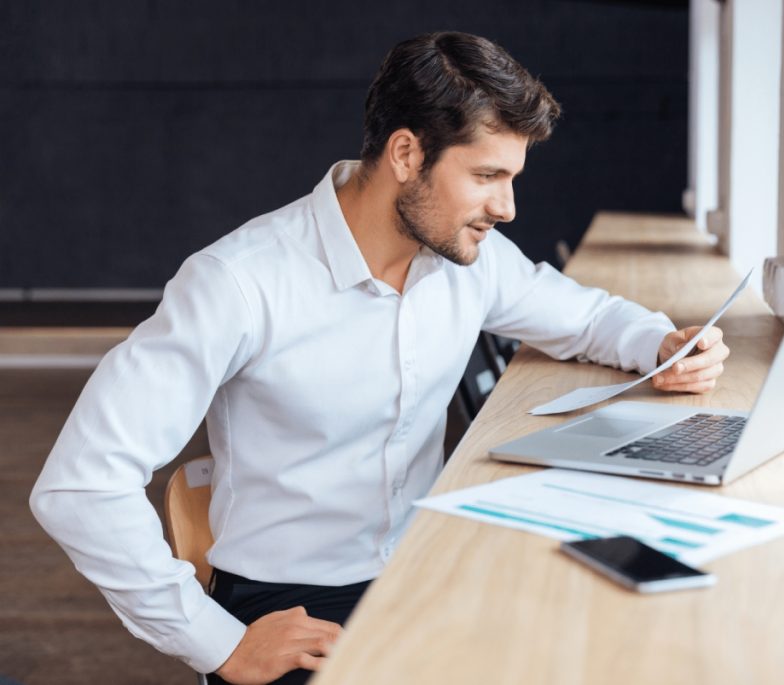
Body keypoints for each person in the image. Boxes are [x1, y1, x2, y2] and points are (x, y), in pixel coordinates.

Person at [30, 31, 729, 685]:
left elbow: (587, 315)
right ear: (405, 155)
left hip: (422, 569)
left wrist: (661, 344)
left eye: (511, 177)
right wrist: (217, 639)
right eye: (487, 175)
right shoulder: (238, 282)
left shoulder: (465, 258)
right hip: (293, 601)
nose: (508, 206)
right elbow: (79, 486)